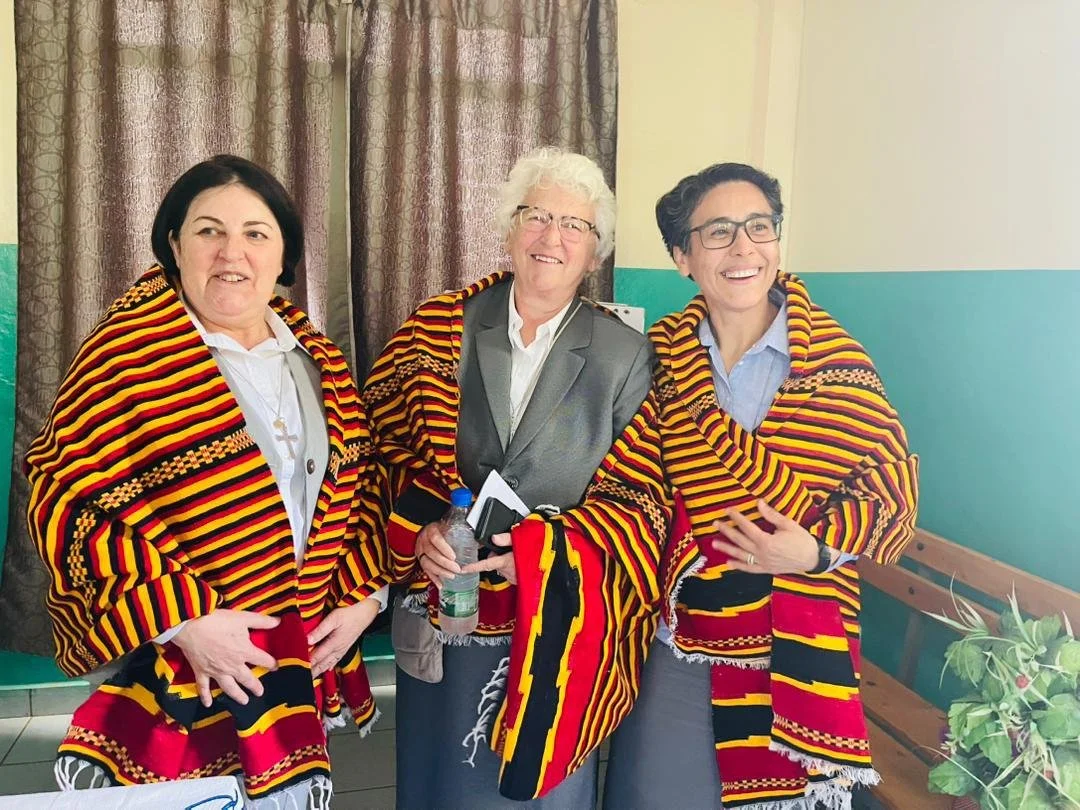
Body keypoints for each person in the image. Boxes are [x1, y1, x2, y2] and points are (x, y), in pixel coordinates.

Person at [24, 155, 390, 809]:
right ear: (173, 243)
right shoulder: (126, 353)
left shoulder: (319, 360)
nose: (232, 254)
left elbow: (360, 490)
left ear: (284, 255)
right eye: (208, 231)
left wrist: (365, 597)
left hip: (289, 661)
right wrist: (181, 620)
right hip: (177, 662)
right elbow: (72, 499)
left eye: (256, 233)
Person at [602, 163, 920, 809]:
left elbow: (889, 495)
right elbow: (626, 484)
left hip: (797, 637)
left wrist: (814, 551)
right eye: (718, 232)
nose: (744, 247)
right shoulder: (655, 357)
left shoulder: (837, 363)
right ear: (682, 258)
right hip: (681, 630)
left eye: (759, 227)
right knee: (656, 793)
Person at [361, 146, 666, 808]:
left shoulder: (624, 355)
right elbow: (375, 454)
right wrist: (417, 533)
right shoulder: (438, 330)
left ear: (594, 252)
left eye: (574, 226)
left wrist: (539, 555)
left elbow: (643, 501)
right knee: (440, 780)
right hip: (445, 606)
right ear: (507, 229)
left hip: (555, 618)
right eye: (535, 215)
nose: (551, 237)